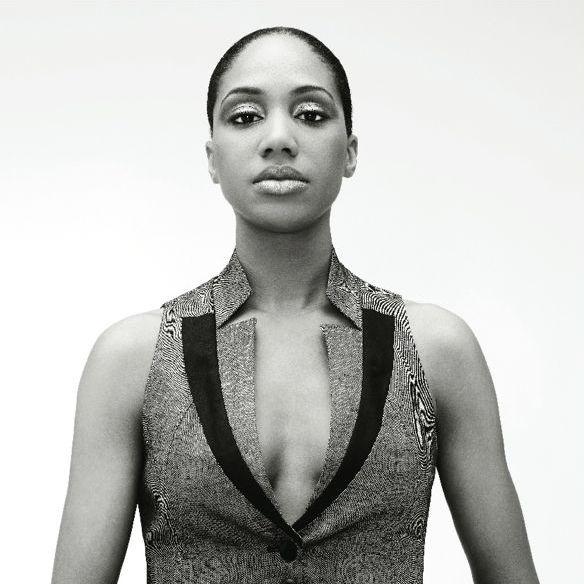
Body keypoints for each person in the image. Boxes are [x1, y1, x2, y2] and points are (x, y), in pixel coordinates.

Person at [51, 26, 540, 584]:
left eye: (310, 114)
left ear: (350, 150)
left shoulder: (435, 351)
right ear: (212, 158)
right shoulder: (132, 361)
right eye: (244, 117)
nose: (278, 139)